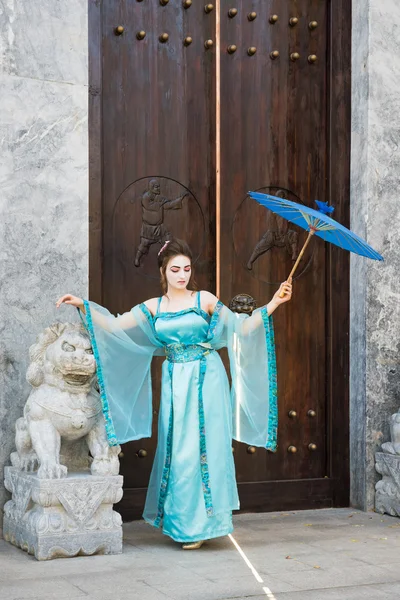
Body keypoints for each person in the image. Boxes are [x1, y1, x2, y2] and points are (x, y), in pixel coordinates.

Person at [56, 238, 292, 550]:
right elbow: (114, 326)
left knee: (206, 445)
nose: (181, 275)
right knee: (178, 448)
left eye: (186, 269)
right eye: (175, 269)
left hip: (207, 377)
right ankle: (183, 523)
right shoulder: (155, 307)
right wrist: (83, 305)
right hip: (175, 380)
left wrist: (274, 302)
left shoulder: (204, 299)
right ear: (163, 271)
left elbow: (241, 328)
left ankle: (206, 524)